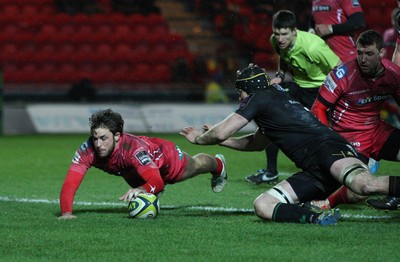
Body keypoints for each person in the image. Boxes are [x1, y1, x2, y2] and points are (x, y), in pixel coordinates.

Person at [180, 63, 400, 226]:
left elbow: (222, 131)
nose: (241, 98)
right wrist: (223, 141)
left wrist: (199, 138)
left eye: (240, 92)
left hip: (329, 151)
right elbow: (255, 144)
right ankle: (317, 217)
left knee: (363, 185)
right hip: (314, 171)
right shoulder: (274, 104)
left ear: (247, 88)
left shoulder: (259, 98)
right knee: (263, 205)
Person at [58, 109, 227, 219]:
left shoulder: (133, 150)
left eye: (103, 138)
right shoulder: (87, 149)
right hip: (137, 169)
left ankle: (219, 165)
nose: (98, 144)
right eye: (95, 138)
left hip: (166, 158)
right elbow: (70, 182)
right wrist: (66, 213)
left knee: (198, 165)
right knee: (133, 173)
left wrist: (141, 189)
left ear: (117, 136)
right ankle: (150, 188)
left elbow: (158, 182)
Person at [308, 30, 400, 211]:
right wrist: (326, 139)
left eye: (369, 54)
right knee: (360, 190)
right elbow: (318, 107)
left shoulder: (393, 73)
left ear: (382, 53)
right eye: (360, 53)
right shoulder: (342, 75)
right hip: (348, 139)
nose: (363, 59)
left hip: (377, 131)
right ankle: (329, 202)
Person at [245, 10, 340, 185]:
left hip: (320, 91)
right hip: (298, 87)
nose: (280, 38)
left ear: (294, 31)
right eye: (277, 33)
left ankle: (332, 175)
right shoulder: (276, 41)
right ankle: (271, 172)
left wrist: (333, 95)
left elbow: (339, 67)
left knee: (324, 137)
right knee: (272, 123)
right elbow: (284, 56)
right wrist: (280, 76)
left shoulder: (313, 46)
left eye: (284, 34)